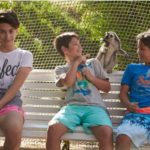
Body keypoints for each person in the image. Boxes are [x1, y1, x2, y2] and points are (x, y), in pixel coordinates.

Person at [46, 32, 113, 150]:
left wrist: (91, 78)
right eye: (76, 44)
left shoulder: (93, 63)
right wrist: (76, 63)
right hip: (72, 108)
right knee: (53, 129)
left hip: (95, 107)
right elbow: (68, 82)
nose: (80, 47)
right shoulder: (60, 69)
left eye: (79, 43)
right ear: (65, 49)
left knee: (106, 132)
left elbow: (107, 88)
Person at [0, 10, 33, 150]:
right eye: (2, 31)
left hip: (10, 100)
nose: (7, 36)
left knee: (14, 129)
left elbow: (15, 87)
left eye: (11, 31)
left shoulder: (25, 55)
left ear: (16, 31)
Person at [115, 30, 150, 150]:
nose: (138, 52)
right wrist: (128, 105)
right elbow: (123, 94)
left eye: (142, 49)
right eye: (138, 48)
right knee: (123, 137)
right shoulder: (132, 68)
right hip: (136, 115)